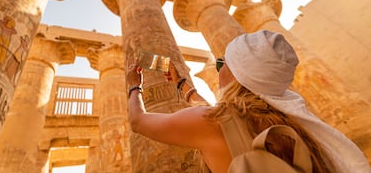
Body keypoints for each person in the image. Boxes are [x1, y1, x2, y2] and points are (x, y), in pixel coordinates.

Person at [126, 30, 370, 173]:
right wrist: (182, 85)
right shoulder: (287, 120)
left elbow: (138, 122)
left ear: (237, 74)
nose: (218, 69)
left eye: (221, 63)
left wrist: (132, 85)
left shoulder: (211, 122)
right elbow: (211, 113)